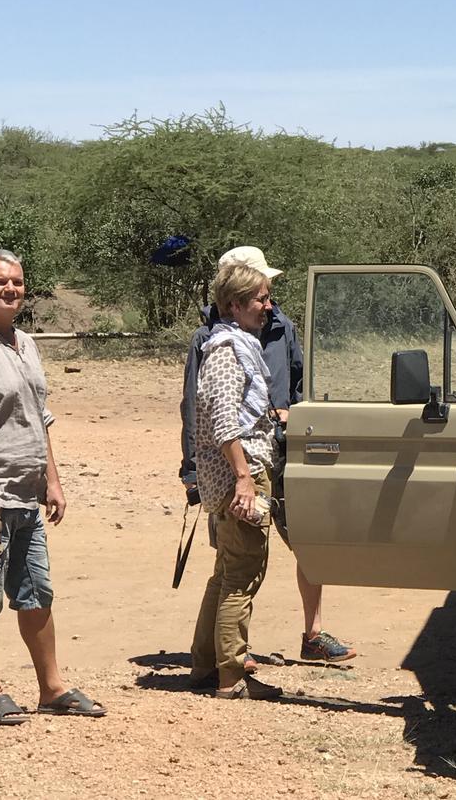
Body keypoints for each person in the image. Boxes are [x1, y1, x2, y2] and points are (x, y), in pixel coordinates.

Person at [180, 246, 355, 664]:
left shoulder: (282, 327)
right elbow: (200, 409)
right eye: (260, 290)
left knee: (303, 543)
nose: (268, 300)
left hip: (280, 455)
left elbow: (298, 388)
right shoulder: (212, 341)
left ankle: (311, 635)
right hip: (236, 465)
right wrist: (193, 472)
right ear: (235, 297)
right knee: (237, 565)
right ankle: (232, 660)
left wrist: (291, 415)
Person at [0, 249, 105, 724]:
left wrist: (53, 480)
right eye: (0, 283)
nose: (11, 290)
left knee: (36, 590)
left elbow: (38, 417)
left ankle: (51, 688)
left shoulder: (26, 343)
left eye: (18, 283)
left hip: (26, 493)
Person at [189, 263, 285, 699]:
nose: (268, 306)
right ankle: (231, 675)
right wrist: (245, 479)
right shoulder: (228, 352)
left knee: (226, 571)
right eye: (261, 299)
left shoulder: (232, 346)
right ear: (235, 305)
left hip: (234, 473)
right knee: (241, 577)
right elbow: (226, 424)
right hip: (239, 475)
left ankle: (205, 666)